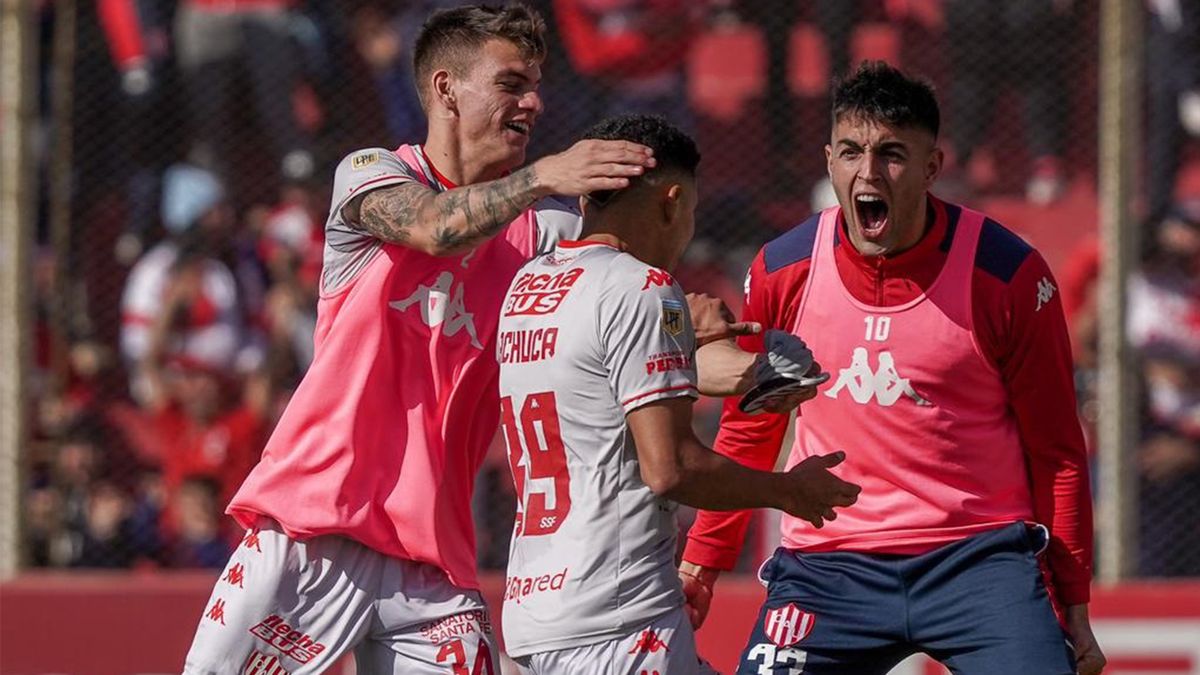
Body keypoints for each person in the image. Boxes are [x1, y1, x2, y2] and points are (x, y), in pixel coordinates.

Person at [181, 5, 664, 673]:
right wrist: (545, 176)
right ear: (446, 89)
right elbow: (435, 227)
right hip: (312, 538)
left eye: (535, 84)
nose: (534, 100)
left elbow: (637, 310)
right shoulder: (370, 175)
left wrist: (737, 352)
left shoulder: (544, 237)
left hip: (432, 574)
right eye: (511, 83)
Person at [677, 62, 1107, 675]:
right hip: (828, 566)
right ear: (829, 161)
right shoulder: (784, 268)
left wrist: (1074, 599)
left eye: (892, 155)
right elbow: (752, 427)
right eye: (851, 151)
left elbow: (1057, 449)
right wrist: (703, 563)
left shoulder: (1007, 274)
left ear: (933, 168)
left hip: (978, 561)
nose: (868, 173)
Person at [497, 114, 861, 675]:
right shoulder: (644, 287)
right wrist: (787, 491)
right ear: (670, 201)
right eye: (689, 212)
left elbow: (601, 386)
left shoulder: (530, 284)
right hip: (617, 620)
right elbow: (671, 469)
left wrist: (744, 368)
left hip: (535, 610)